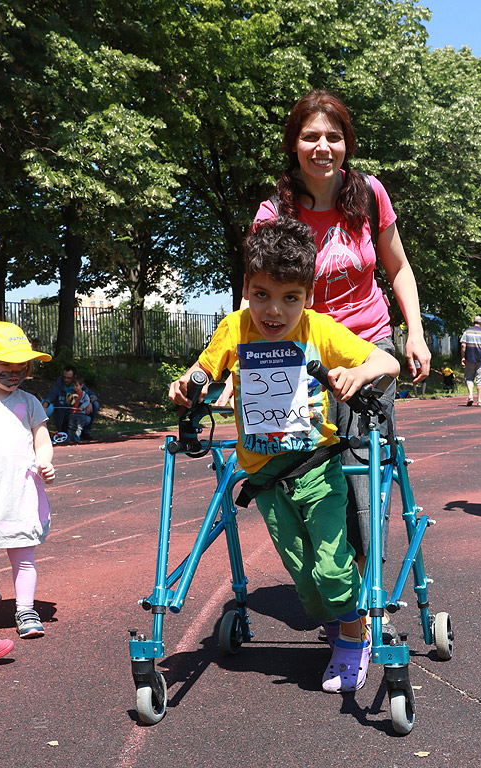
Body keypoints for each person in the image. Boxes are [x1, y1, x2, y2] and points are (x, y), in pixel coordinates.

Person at [169, 217, 400, 693]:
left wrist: (358, 375)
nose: (274, 311)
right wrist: (185, 386)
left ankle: (354, 642)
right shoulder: (234, 328)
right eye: (262, 295)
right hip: (266, 481)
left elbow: (387, 361)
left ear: (308, 297)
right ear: (246, 290)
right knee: (307, 585)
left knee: (333, 567)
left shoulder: (320, 329)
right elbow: (202, 370)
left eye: (290, 298)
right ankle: (338, 622)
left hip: (317, 469)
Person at [252, 90, 430, 632]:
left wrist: (414, 334)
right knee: (296, 478)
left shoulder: (369, 195)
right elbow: (256, 293)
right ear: (294, 144)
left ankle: (360, 599)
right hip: (297, 356)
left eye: (333, 136)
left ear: (347, 144)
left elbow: (398, 268)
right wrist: (244, 364)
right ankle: (338, 592)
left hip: (365, 351)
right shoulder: (275, 210)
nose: (322, 147)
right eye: (311, 137)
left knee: (359, 478)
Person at [0, 321, 55, 639]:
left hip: (22, 491)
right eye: (4, 366)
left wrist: (45, 461)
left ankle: (25, 609)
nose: (13, 373)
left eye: (20, 366)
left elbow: (42, 438)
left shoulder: (30, 402)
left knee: (23, 555)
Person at [42, 366, 99, 438]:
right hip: (64, 415)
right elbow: (51, 396)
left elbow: (92, 394)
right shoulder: (58, 385)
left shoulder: (78, 384)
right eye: (65, 377)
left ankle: (85, 432)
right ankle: (66, 432)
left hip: (77, 412)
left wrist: (89, 402)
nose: (66, 380)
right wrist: (44, 406)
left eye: (69, 378)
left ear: (74, 377)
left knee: (95, 405)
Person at [460, 316, 481, 406]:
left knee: (469, 377)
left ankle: (470, 396)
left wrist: (463, 357)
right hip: (480, 358)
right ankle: (479, 400)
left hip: (469, 357)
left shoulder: (467, 332)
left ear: (473, 322)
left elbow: (463, 345)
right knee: (480, 378)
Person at [66, 375, 92, 442]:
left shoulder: (84, 394)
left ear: (81, 386)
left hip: (81, 413)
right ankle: (69, 437)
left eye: (76, 386)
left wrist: (82, 407)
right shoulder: (72, 394)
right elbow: (69, 403)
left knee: (79, 427)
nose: (75, 388)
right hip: (73, 412)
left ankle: (77, 437)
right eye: (73, 386)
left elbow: (87, 401)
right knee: (71, 426)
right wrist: (69, 400)